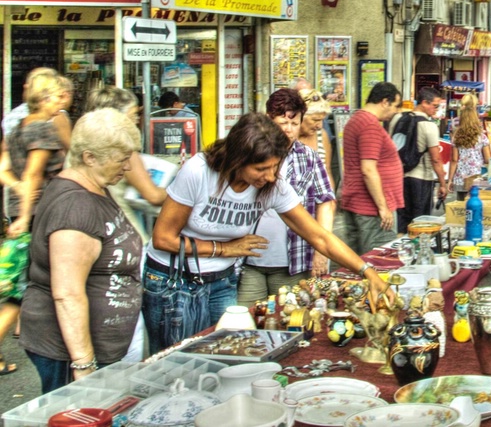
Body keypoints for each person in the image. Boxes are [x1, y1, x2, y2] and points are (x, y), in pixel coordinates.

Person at [142, 112, 390, 354]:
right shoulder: (198, 171)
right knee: (176, 362)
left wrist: (367, 273)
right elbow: (163, 238)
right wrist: (225, 249)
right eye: (261, 168)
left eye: (275, 167)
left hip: (221, 281)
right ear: (238, 159)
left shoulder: (273, 185)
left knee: (225, 357)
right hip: (174, 282)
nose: (270, 176)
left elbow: (320, 237)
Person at [19, 109, 142, 392]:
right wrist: (83, 365)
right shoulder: (76, 206)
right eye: (122, 160)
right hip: (65, 353)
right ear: (89, 157)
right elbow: (67, 293)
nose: (127, 168)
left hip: (92, 347)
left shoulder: (92, 186)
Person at [0, 72, 71, 376]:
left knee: (24, 286)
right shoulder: (42, 129)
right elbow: (34, 174)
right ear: (43, 99)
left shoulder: (19, 127)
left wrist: (16, 195)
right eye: (57, 97)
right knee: (23, 290)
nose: (62, 102)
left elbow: (6, 169)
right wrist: (26, 216)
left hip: (22, 212)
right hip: (41, 215)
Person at [238, 89, 337, 305]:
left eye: (294, 123)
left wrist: (322, 251)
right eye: (283, 122)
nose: (288, 129)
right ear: (269, 120)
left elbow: (326, 202)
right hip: (248, 261)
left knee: (290, 320)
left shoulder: (308, 157)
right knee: (246, 321)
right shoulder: (248, 153)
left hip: (293, 262)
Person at [84, 86, 168, 241]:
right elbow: (154, 196)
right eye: (134, 114)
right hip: (126, 234)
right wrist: (173, 190)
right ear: (117, 117)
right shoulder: (124, 152)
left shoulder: (84, 145)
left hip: (94, 232)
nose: (137, 120)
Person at [336, 82, 405, 254]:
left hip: (357, 201)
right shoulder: (370, 125)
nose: (396, 111)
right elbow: (368, 169)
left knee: (360, 258)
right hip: (370, 207)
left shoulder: (357, 119)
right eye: (395, 106)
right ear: (384, 102)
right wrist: (383, 207)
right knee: (378, 258)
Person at [389, 87, 449, 233]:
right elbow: (436, 159)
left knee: (402, 220)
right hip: (421, 179)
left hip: (398, 178)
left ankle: (401, 248)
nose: (436, 109)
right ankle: (417, 251)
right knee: (420, 222)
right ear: (424, 103)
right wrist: (442, 184)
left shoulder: (396, 119)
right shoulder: (429, 126)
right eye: (435, 106)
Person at [2, 68, 72, 150]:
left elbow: (6, 150)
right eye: (59, 95)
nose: (62, 100)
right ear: (46, 97)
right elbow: (70, 150)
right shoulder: (56, 117)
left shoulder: (12, 116)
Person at [447, 94, 491, 200]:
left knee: (460, 208)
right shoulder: (482, 137)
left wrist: (449, 180)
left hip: (460, 179)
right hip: (476, 178)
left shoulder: (456, 137)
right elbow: (488, 159)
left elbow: (454, 160)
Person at [298, 88, 335, 189]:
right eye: (315, 120)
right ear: (299, 116)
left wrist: (331, 198)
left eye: (322, 120)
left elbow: (327, 170)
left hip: (318, 200)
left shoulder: (321, 135)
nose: (319, 125)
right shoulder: (287, 137)